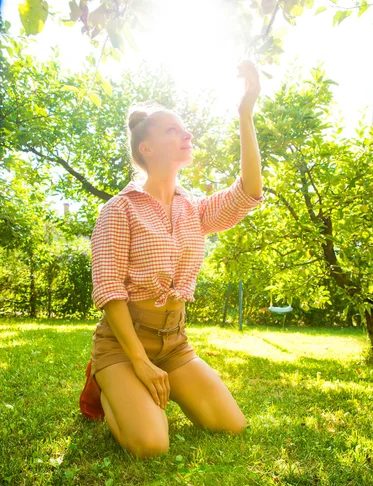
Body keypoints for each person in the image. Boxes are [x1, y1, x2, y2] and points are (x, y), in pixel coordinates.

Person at [79, 60, 263, 458]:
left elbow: (249, 191)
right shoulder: (119, 209)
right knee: (151, 445)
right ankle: (105, 382)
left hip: (175, 343)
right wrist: (140, 363)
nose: (187, 134)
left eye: (185, 129)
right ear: (146, 148)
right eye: (172, 130)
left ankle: (141, 390)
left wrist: (245, 114)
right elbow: (109, 291)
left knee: (231, 426)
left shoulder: (193, 209)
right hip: (124, 346)